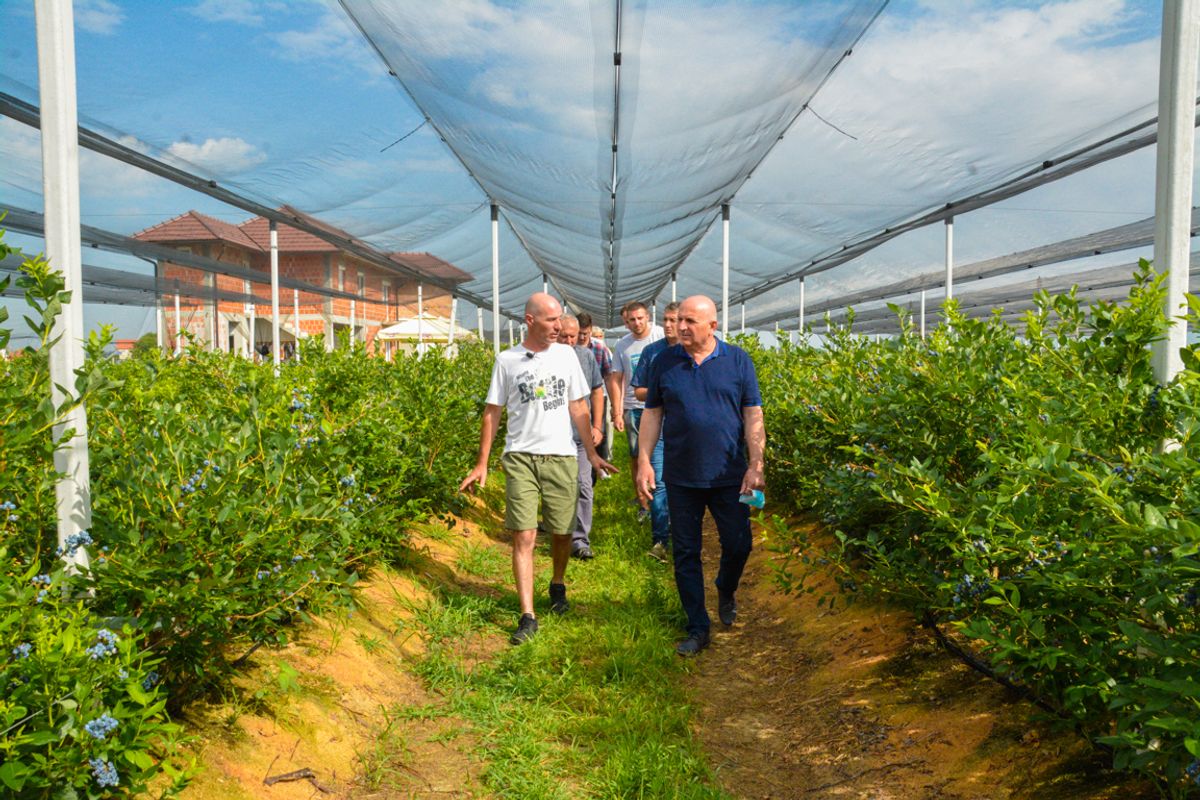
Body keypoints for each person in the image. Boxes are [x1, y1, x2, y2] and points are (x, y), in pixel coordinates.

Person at [460, 293, 617, 645]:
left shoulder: (568, 357)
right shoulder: (507, 361)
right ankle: (527, 615)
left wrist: (592, 454)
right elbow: (492, 411)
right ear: (530, 321)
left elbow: (578, 406)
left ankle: (557, 584)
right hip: (520, 457)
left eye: (559, 320)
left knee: (562, 531)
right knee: (525, 535)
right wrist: (482, 462)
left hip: (561, 455)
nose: (558, 327)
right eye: (551, 321)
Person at [636, 295, 766, 657]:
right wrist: (644, 461)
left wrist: (756, 464)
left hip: (729, 475)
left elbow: (753, 416)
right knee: (687, 554)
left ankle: (726, 586)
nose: (680, 327)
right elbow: (652, 415)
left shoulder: (737, 360)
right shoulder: (665, 361)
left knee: (739, 543)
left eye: (690, 322)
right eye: (679, 321)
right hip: (681, 476)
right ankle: (698, 626)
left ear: (712, 326)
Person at [630, 302, 679, 563]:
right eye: (667, 320)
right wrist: (666, 389)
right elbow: (638, 390)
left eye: (675, 320)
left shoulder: (693, 353)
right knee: (659, 485)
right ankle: (660, 540)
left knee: (681, 485)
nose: (670, 325)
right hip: (657, 428)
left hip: (685, 432)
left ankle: (682, 536)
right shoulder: (653, 352)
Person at [557, 316, 605, 560]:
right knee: (560, 488)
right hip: (552, 437)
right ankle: (559, 532)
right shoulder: (545, 357)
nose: (568, 341)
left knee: (585, 486)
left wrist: (597, 425)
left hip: (580, 436)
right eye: (563, 336)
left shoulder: (585, 357)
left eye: (572, 336)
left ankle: (579, 540)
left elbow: (597, 391)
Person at [608, 302, 663, 496]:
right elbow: (616, 379)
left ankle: (661, 494)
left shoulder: (661, 336)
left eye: (640, 318)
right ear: (626, 322)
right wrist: (617, 411)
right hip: (634, 406)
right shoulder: (623, 345)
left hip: (660, 405)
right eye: (632, 320)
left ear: (647, 316)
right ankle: (642, 499)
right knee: (636, 454)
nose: (637, 323)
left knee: (662, 453)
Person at [578, 312, 615, 466]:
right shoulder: (566, 348)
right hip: (578, 398)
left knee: (598, 429)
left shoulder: (600, 348)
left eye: (585, 334)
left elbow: (608, 376)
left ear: (590, 330)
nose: (581, 337)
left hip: (598, 396)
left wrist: (614, 405)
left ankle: (598, 461)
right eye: (578, 333)